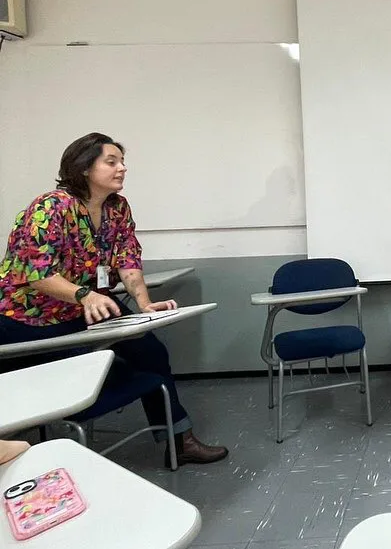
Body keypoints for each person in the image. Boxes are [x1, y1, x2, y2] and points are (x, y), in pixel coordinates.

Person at [0, 133, 228, 467]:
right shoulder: (50, 207)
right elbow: (37, 272)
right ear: (84, 167)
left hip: (87, 305)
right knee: (87, 364)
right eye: (111, 161)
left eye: (122, 162)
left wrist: (145, 304)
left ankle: (179, 441)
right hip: (28, 317)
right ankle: (51, 445)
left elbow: (128, 261)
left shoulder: (117, 208)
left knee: (150, 350)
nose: (122, 168)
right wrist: (83, 294)